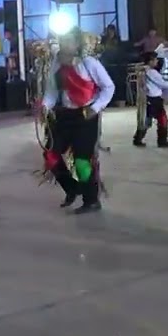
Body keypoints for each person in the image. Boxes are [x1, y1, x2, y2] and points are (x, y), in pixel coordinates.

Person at [40, 27, 116, 214]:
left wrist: (95, 107)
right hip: (64, 115)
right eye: (63, 39)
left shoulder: (89, 63)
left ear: (77, 44)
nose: (66, 44)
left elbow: (108, 87)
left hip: (86, 116)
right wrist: (44, 106)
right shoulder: (56, 65)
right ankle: (72, 188)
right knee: (51, 155)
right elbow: (51, 91)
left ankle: (91, 200)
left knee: (82, 161)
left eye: (70, 41)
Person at [133, 51, 168, 148]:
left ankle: (137, 139)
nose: (156, 61)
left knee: (146, 120)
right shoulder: (151, 72)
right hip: (154, 99)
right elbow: (162, 83)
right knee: (162, 119)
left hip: (147, 99)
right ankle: (162, 141)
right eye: (155, 59)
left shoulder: (142, 70)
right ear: (150, 61)